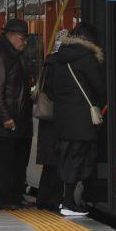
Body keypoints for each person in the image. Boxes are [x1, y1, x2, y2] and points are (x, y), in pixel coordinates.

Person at [45, 22, 105, 217]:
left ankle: (67, 201)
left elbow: (49, 90)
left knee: (67, 158)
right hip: (82, 121)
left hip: (63, 120)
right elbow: (100, 87)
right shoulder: (88, 58)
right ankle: (69, 204)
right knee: (79, 159)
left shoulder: (57, 58)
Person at [0, 19, 33, 210]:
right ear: (10, 35)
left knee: (19, 162)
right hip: (6, 123)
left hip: (19, 120)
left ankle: (16, 197)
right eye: (21, 38)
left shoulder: (15, 55)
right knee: (4, 164)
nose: (24, 42)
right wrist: (5, 117)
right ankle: (4, 199)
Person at [34, 29, 68, 212]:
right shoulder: (59, 64)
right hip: (55, 118)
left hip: (47, 120)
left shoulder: (48, 62)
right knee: (56, 162)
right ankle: (52, 200)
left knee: (49, 165)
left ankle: (44, 199)